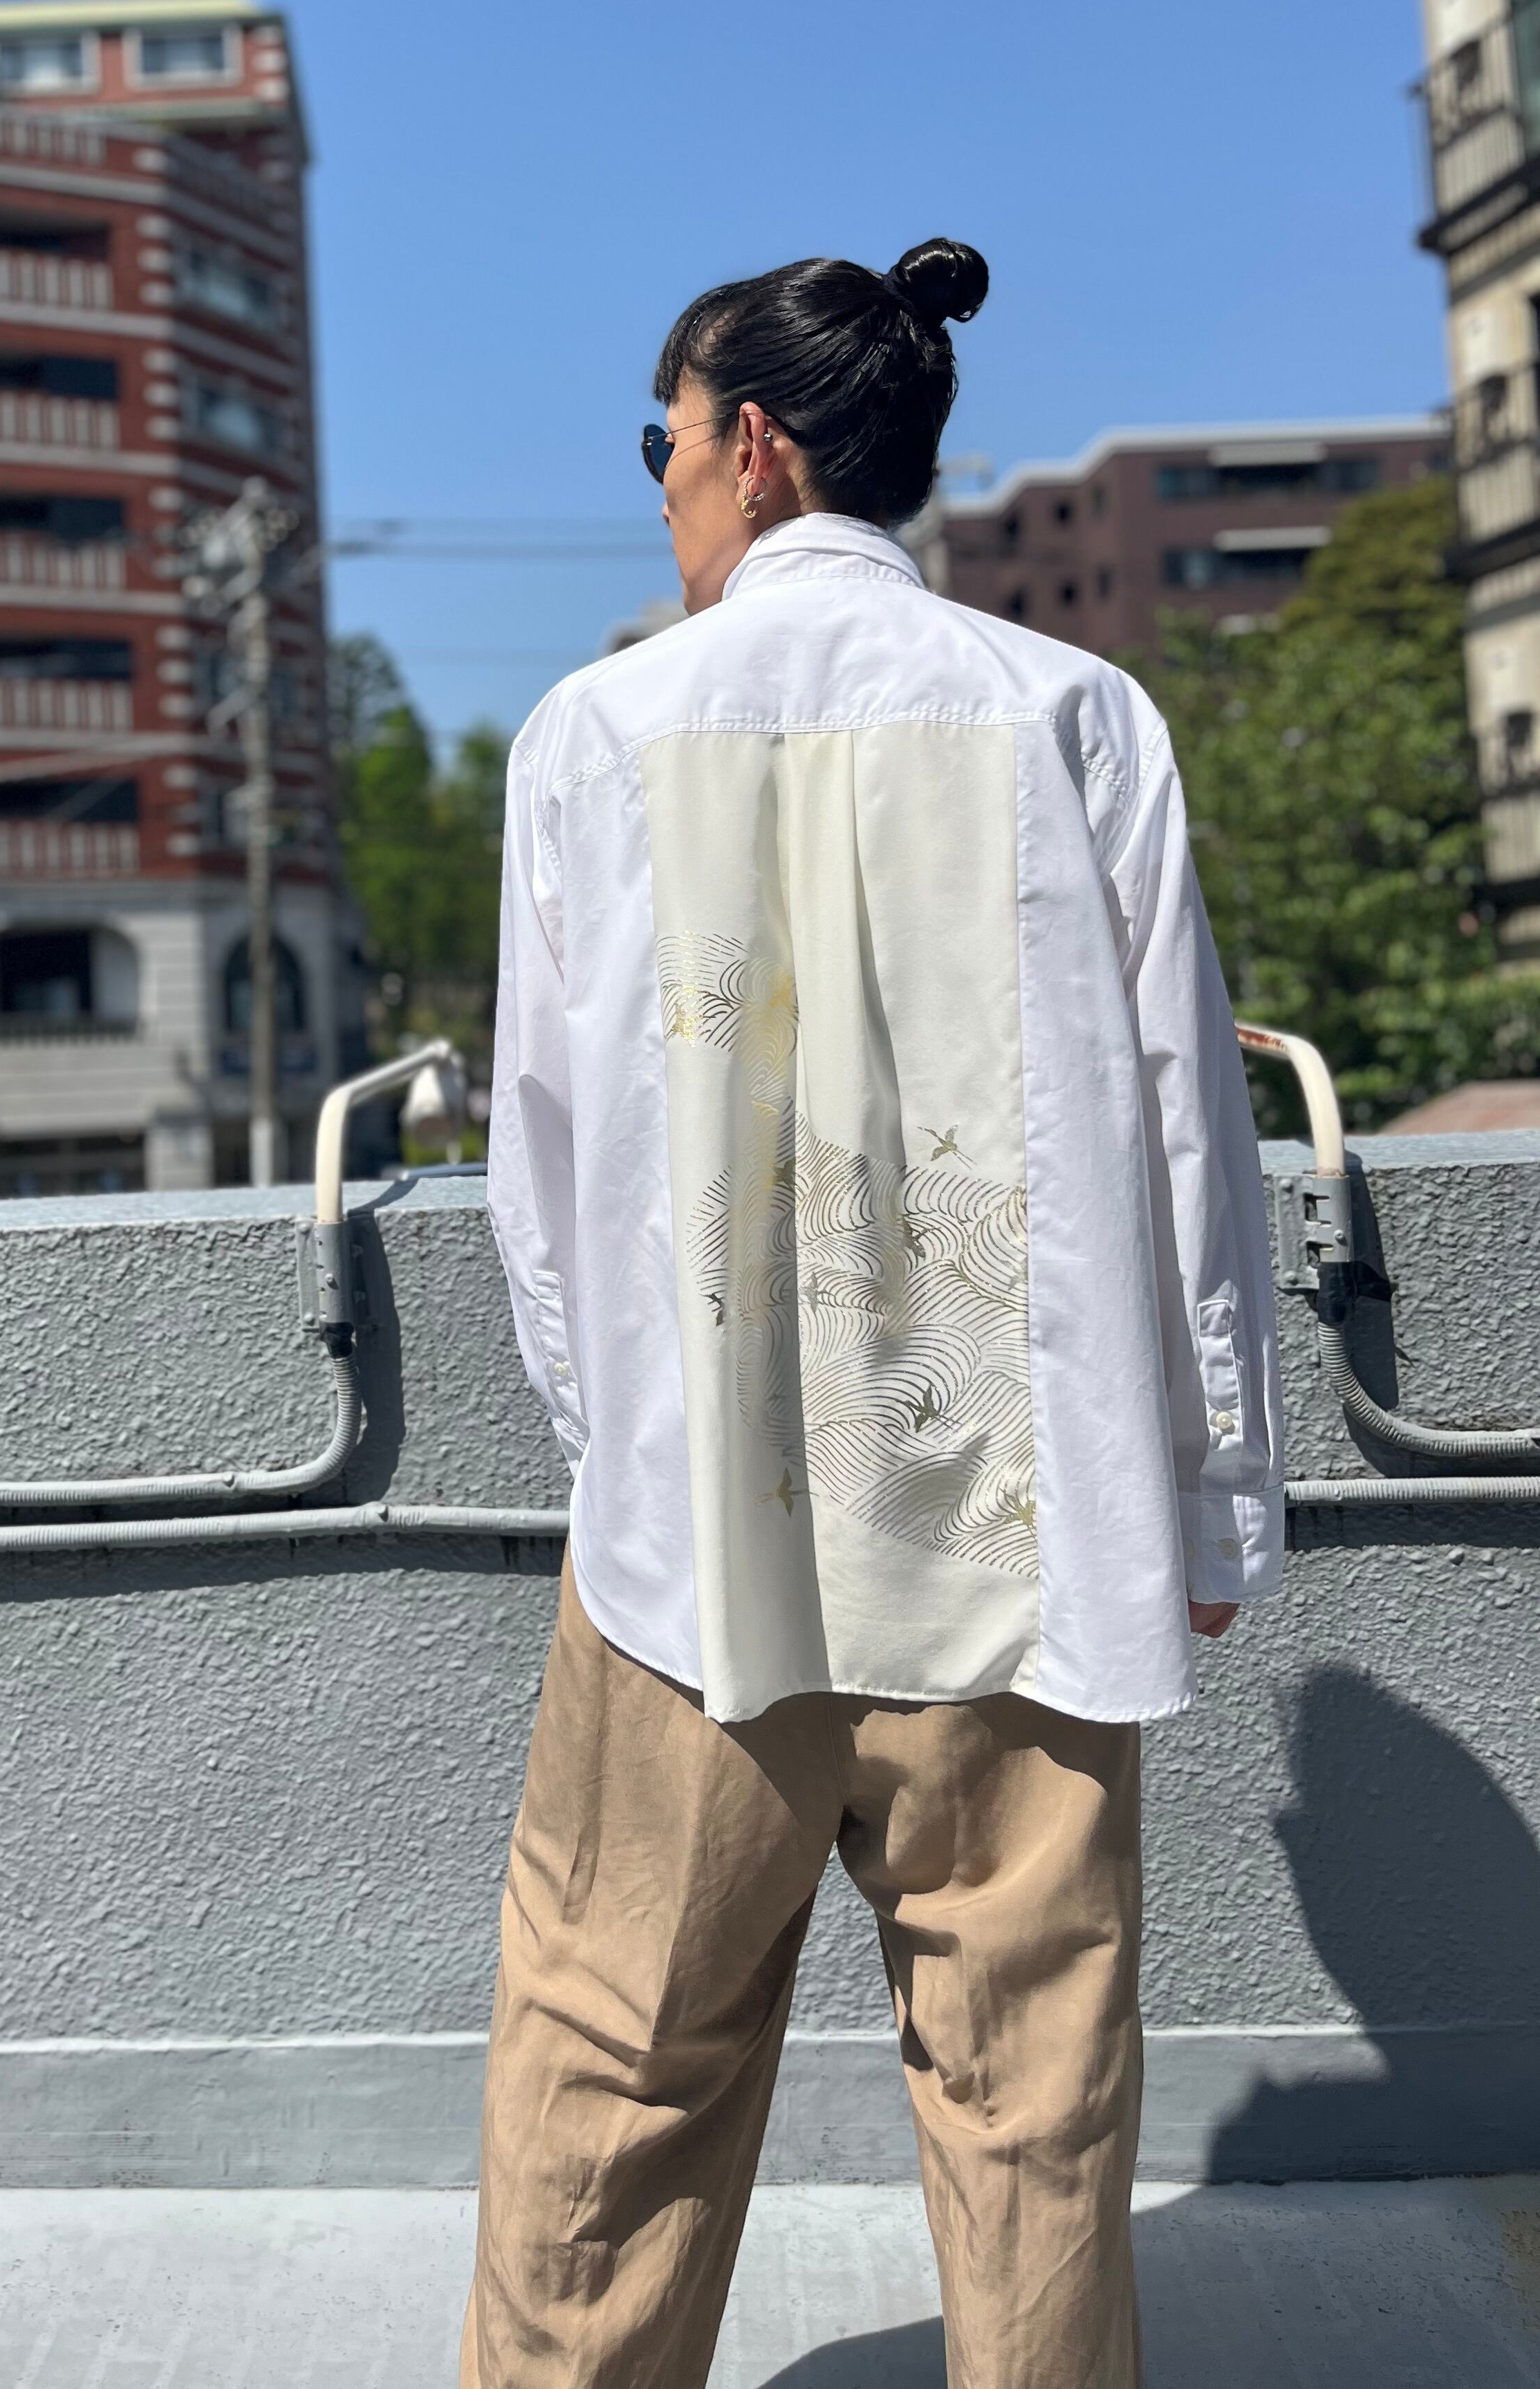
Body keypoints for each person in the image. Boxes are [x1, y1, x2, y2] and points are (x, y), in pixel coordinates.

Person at [463, 242, 1282, 2389]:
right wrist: (1205, 1495)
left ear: (752, 443)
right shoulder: (1076, 716)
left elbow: (538, 1171)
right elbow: (1189, 1142)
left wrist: (625, 1456)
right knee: (1034, 2113)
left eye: (661, 441)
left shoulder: (594, 733)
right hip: (1024, 1537)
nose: (659, 482)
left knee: (608, 2079)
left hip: (695, 1553)